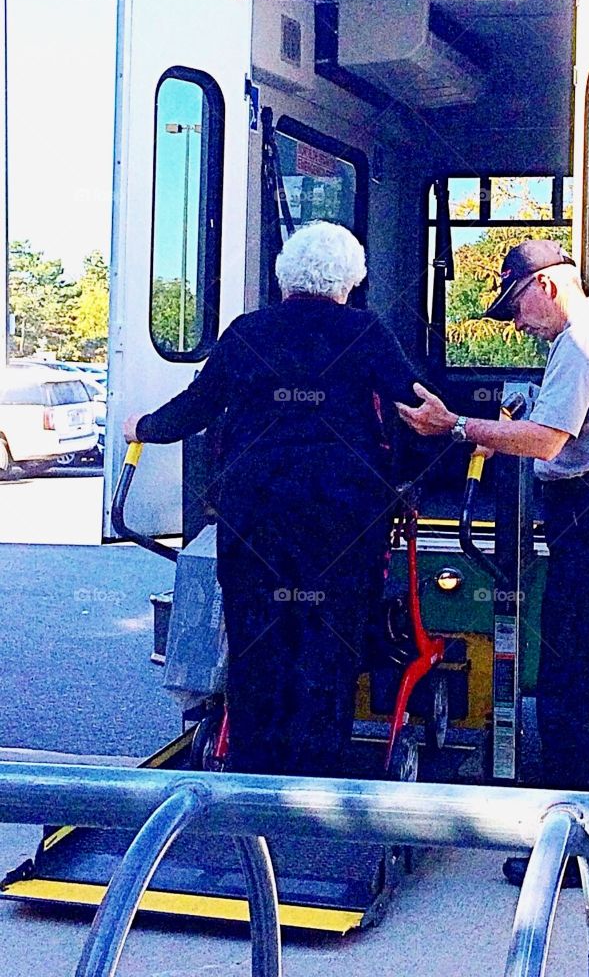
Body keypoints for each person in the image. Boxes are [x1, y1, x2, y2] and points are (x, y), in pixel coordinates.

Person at [397, 239, 589, 888]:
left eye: (517, 306)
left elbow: (544, 441)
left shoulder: (579, 343)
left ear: (546, 287)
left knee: (568, 693)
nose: (518, 323)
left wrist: (457, 426)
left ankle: (578, 855)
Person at [123, 221, 424, 778]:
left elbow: (197, 406)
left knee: (256, 642)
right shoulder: (366, 332)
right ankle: (315, 779)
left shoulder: (247, 332)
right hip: (342, 519)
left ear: (285, 278)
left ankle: (254, 775)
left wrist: (143, 426)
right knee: (328, 645)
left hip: (255, 515)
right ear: (350, 282)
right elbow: (416, 406)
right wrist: (421, 471)